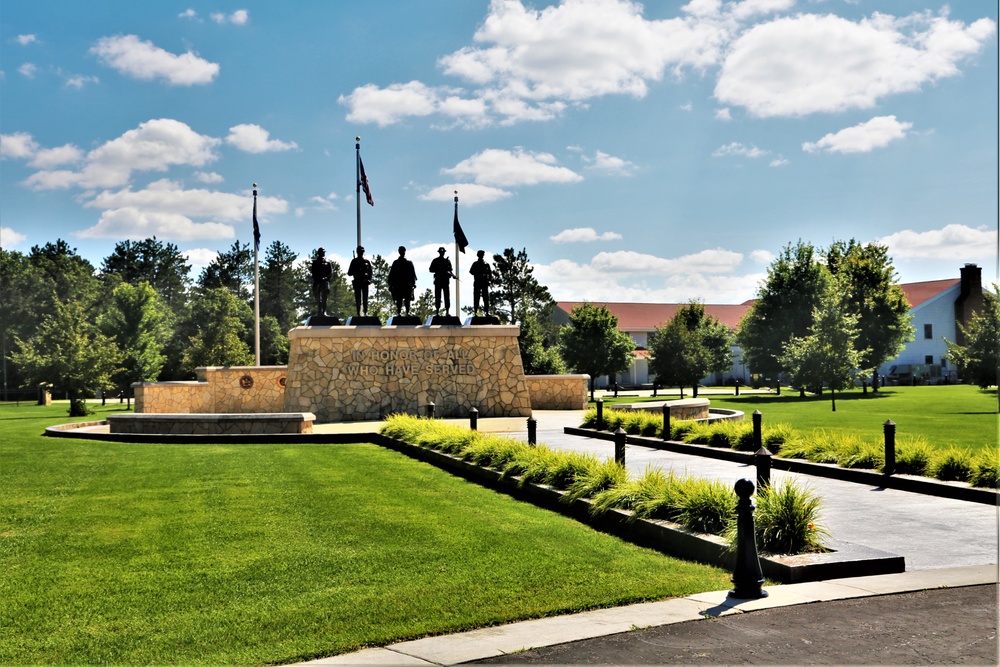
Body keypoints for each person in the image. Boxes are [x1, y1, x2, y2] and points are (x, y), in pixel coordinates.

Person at [388, 245, 418, 316]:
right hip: (398, 284)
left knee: (407, 299)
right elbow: (391, 275)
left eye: (403, 251)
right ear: (399, 252)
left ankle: (407, 312)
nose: (402, 252)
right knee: (399, 299)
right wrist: (391, 284)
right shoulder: (396, 263)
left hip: (407, 285)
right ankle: (399, 312)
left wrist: (413, 283)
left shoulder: (409, 263)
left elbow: (413, 274)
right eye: (401, 251)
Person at [347, 245, 373, 316]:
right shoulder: (354, 261)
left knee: (365, 298)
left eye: (362, 251)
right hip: (358, 282)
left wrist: (369, 279)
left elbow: (370, 272)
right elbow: (349, 273)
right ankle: (358, 313)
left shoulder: (367, 262)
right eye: (359, 252)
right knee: (358, 299)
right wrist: (356, 270)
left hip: (365, 282)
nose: (361, 253)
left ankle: (365, 312)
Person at [429, 246, 455, 315]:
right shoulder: (435, 261)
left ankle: (447, 311)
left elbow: (450, 270)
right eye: (441, 252)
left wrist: (453, 275)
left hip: (445, 281)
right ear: (439, 253)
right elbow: (431, 269)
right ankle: (437, 311)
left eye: (443, 252)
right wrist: (438, 268)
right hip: (438, 280)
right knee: (438, 296)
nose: (442, 253)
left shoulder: (447, 261)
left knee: (447, 296)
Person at [310, 247, 333, 316]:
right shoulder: (315, 262)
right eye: (321, 252)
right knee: (318, 298)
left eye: (323, 252)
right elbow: (313, 272)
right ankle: (319, 311)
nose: (323, 254)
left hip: (325, 282)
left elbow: (330, 272)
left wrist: (326, 278)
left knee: (324, 298)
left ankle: (324, 311)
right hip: (317, 282)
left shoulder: (327, 262)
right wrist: (317, 279)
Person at [469, 249, 493, 316]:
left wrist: (489, 280)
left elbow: (490, 273)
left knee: (486, 298)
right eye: (480, 255)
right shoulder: (475, 264)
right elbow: (471, 272)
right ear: (478, 255)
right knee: (476, 298)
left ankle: (487, 312)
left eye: (482, 255)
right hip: (477, 282)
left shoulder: (486, 264)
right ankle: (475, 312)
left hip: (484, 283)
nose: (481, 256)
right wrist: (478, 273)